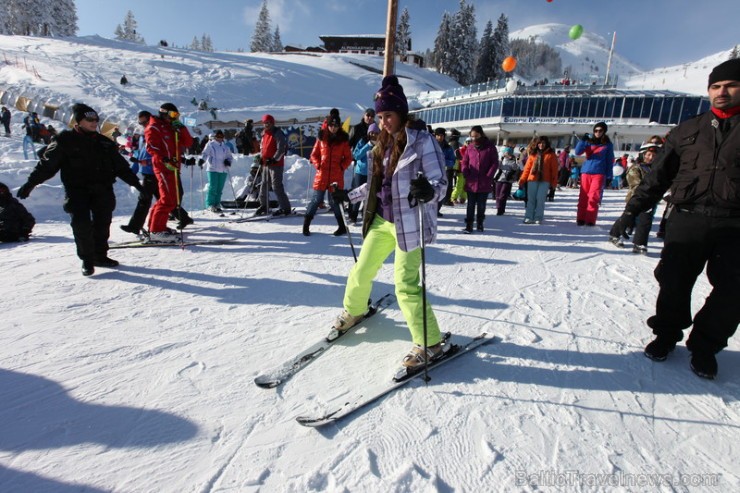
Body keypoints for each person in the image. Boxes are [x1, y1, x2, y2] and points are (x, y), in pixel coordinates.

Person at [609, 58, 740, 380]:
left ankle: (706, 346)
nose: (722, 92)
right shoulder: (688, 130)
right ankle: (666, 335)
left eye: (731, 85)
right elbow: (658, 178)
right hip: (687, 218)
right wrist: (631, 211)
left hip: (735, 224)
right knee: (673, 282)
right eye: (716, 86)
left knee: (733, 291)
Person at [330, 75, 449, 371]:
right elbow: (375, 186)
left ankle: (430, 342)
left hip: (410, 223)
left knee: (405, 285)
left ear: (402, 113)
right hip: (382, 220)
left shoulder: (422, 142)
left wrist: (429, 190)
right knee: (361, 269)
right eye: (380, 116)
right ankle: (355, 310)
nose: (384, 121)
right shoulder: (381, 144)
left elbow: (441, 181)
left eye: (389, 115)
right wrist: (349, 196)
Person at [16, 103, 143, 275]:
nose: (94, 123)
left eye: (96, 119)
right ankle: (87, 260)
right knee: (81, 224)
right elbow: (47, 166)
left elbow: (121, 167)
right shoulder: (64, 140)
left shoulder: (104, 143)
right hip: (77, 191)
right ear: (79, 121)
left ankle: (100, 255)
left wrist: (136, 184)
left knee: (102, 224)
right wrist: (30, 184)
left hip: (103, 189)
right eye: (89, 119)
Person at [144, 102, 194, 242]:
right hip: (164, 167)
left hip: (173, 168)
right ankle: (157, 230)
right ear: (164, 112)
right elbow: (152, 147)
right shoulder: (154, 127)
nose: (174, 117)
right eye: (172, 114)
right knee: (169, 200)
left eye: (176, 115)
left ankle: (155, 226)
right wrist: (164, 159)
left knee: (170, 199)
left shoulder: (171, 126)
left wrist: (182, 127)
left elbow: (188, 142)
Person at [303, 116, 352, 236]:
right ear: (327, 125)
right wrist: (318, 165)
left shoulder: (343, 140)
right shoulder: (321, 139)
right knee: (316, 200)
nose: (333, 128)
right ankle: (306, 225)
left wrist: (341, 167)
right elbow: (313, 155)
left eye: (335, 126)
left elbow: (348, 158)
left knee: (335, 202)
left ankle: (341, 226)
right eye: (331, 125)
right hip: (322, 175)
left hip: (335, 176)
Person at [612, 142, 662, 253]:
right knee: (629, 219)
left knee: (645, 222)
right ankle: (614, 234)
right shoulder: (636, 168)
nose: (651, 158)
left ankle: (640, 243)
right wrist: (644, 196)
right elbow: (635, 184)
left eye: (654, 156)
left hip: (650, 200)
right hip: (636, 199)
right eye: (648, 155)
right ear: (642, 155)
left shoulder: (656, 170)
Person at [121, 111, 159, 235]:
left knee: (144, 199)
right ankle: (183, 217)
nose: (143, 125)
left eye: (145, 122)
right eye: (140, 123)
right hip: (147, 173)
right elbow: (140, 155)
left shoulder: (155, 134)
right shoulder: (145, 136)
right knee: (160, 199)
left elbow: (159, 155)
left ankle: (134, 226)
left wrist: (147, 163)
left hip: (155, 173)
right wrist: (133, 171)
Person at [574, 122, 614, 225]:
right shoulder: (588, 142)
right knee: (583, 196)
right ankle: (581, 218)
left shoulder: (608, 145)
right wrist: (583, 140)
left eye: (600, 131)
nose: (598, 133)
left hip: (599, 173)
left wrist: (609, 175)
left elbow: (610, 160)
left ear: (604, 132)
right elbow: (577, 152)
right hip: (586, 172)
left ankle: (590, 219)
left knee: (594, 197)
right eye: (596, 130)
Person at [460, 125, 498, 233]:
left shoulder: (490, 147)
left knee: (481, 205)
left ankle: (480, 222)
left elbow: (494, 163)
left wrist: (489, 175)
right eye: (472, 137)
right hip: (471, 181)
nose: (474, 139)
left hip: (484, 181)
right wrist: (465, 172)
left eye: (476, 136)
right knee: (470, 204)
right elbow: (465, 162)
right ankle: (469, 224)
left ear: (481, 134)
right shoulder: (470, 147)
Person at [256, 114, 292, 216]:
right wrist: (260, 157)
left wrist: (273, 159)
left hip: (276, 164)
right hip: (266, 164)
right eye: (264, 123)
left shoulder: (277, 133)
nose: (266, 125)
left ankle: (285, 208)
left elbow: (281, 149)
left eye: (268, 123)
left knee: (276, 186)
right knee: (264, 185)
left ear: (272, 123)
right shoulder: (264, 134)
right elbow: (262, 148)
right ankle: (264, 206)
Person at [519, 136, 559, 224]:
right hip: (532, 179)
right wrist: (522, 179)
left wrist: (554, 182)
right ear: (537, 144)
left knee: (540, 199)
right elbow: (527, 169)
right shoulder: (533, 154)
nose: (541, 145)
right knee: (531, 200)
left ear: (546, 144)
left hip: (545, 180)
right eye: (539, 143)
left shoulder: (551, 155)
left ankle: (538, 217)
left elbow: (554, 170)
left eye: (543, 143)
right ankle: (529, 217)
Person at [348, 122, 379, 224]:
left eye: (376, 132)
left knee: (369, 196)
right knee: (357, 195)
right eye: (371, 132)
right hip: (360, 172)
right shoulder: (363, 141)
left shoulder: (381, 143)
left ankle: (366, 215)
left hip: (372, 173)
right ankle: (353, 216)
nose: (373, 135)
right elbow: (356, 155)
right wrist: (368, 145)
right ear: (368, 133)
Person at [200, 130, 234, 213]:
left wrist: (228, 161)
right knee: (213, 187)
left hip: (223, 169)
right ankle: (210, 204)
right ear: (215, 137)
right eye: (218, 136)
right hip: (212, 169)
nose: (220, 138)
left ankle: (217, 204)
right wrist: (202, 160)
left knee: (219, 188)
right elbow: (205, 154)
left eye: (221, 136)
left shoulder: (225, 147)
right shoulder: (210, 145)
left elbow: (229, 156)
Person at [432, 128, 455, 218]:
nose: (440, 137)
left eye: (442, 135)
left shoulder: (448, 148)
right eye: (438, 135)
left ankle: (437, 209)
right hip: (431, 172)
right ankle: (431, 210)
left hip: (443, 172)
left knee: (441, 191)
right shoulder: (430, 145)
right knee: (432, 191)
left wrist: (443, 161)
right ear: (435, 135)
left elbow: (452, 161)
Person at [494, 141, 519, 216]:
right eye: (505, 153)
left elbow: (516, 168)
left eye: (508, 153)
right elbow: (497, 167)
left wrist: (514, 160)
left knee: (503, 195)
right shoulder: (501, 160)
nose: (506, 155)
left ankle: (500, 209)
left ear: (511, 154)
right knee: (497, 195)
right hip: (499, 179)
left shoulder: (513, 162)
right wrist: (500, 161)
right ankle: (499, 207)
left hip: (507, 181)